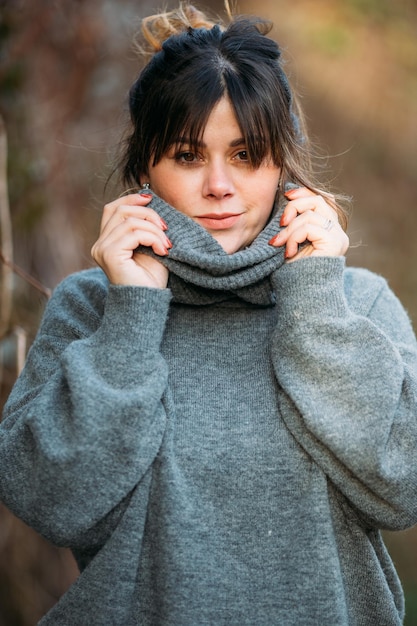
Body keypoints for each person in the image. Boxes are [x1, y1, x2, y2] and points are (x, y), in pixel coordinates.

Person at [1, 2, 417, 624]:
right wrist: (134, 315)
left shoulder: (355, 304)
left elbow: (402, 486)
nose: (219, 185)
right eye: (189, 156)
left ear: (282, 165)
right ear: (147, 165)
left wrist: (314, 303)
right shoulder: (92, 307)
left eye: (247, 154)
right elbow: (50, 500)